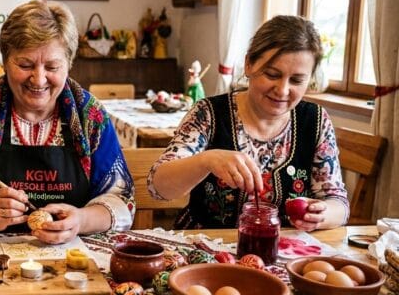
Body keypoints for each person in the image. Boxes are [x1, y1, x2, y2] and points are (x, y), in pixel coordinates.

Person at [0, 0, 135, 244]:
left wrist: (81, 220)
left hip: (75, 262)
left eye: (52, 66)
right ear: (4, 62)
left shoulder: (90, 117)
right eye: (25, 64)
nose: (38, 79)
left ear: (69, 65)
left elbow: (121, 202)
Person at [148, 15, 348, 231]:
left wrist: (322, 214)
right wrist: (206, 160)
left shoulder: (315, 121)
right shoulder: (208, 114)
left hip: (285, 251)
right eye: (272, 75)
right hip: (208, 248)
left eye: (297, 80)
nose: (282, 90)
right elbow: (159, 187)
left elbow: (337, 202)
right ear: (249, 65)